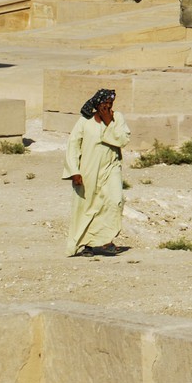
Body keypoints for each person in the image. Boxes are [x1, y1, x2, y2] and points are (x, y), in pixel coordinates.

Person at [64, 88, 130, 257]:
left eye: (110, 103)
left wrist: (109, 122)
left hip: (111, 168)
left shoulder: (117, 118)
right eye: (104, 103)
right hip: (89, 170)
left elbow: (123, 140)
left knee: (114, 201)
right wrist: (74, 171)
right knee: (88, 206)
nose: (107, 106)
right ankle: (87, 244)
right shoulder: (84, 121)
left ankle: (106, 240)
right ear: (97, 104)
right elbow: (73, 146)